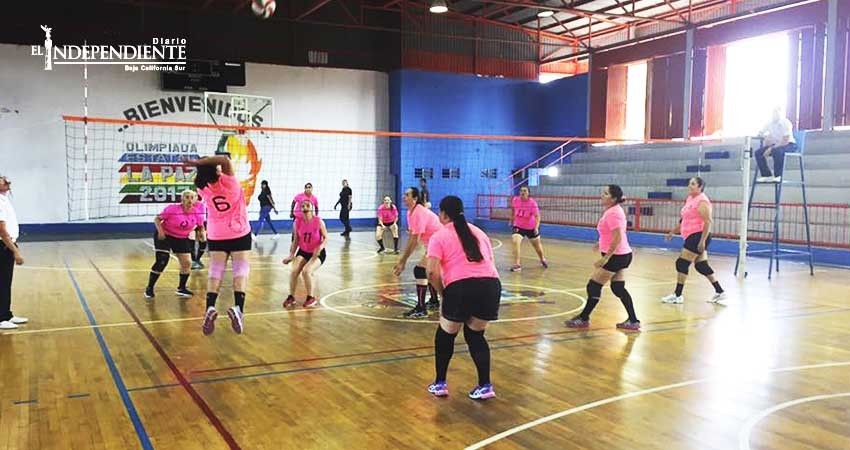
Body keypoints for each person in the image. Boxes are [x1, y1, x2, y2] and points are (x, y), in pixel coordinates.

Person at [426, 195, 501, 400]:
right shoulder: (479, 232)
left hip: (461, 287)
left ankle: (440, 383)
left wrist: (443, 294)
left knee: (446, 335)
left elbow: (431, 272)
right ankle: (485, 385)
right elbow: (490, 263)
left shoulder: (439, 236)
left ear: (443, 214)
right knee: (475, 335)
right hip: (490, 286)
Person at [185, 154, 253, 335]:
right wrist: (200, 162)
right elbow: (224, 159)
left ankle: (210, 307)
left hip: (216, 233)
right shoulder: (229, 182)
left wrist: (200, 165)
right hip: (238, 231)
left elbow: (210, 170)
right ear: (216, 169)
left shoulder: (202, 188)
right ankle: (238, 308)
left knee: (215, 271)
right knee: (240, 270)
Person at [565, 185, 639, 330]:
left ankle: (583, 318)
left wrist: (606, 258)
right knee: (618, 288)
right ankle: (633, 320)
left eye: (606, 193)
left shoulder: (613, 213)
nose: (602, 195)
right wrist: (600, 243)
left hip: (616, 256)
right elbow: (610, 233)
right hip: (621, 255)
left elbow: (617, 237)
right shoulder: (612, 211)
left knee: (594, 285)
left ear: (613, 199)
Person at [661, 177, 726, 304]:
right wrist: (673, 232)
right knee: (701, 265)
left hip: (698, 236)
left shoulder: (702, 201)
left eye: (693, 184)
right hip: (691, 236)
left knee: (682, 263)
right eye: (689, 184)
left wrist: (702, 241)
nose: (689, 186)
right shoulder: (690, 199)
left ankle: (677, 295)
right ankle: (720, 291)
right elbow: (684, 220)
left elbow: (708, 222)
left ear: (700, 187)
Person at [144, 190, 206, 299]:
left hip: (181, 237)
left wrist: (201, 234)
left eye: (192, 197)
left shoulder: (197, 213)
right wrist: (161, 232)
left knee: (187, 263)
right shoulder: (173, 209)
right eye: (187, 197)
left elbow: (200, 226)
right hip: (166, 235)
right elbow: (157, 219)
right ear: (182, 199)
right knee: (162, 261)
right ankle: (149, 288)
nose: (189, 200)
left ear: (195, 200)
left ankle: (181, 288)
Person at [393, 187, 442, 318]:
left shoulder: (419, 212)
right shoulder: (411, 212)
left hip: (441, 244)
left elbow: (415, 240)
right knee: (428, 270)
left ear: (415, 199)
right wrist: (402, 259)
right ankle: (434, 301)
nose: (404, 197)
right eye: (404, 195)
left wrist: (403, 261)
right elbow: (412, 236)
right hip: (434, 245)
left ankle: (421, 308)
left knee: (420, 270)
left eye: (407, 195)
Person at [282, 201, 328, 308]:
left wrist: (320, 247)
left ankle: (311, 298)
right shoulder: (297, 222)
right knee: (294, 270)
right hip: (303, 251)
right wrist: (291, 255)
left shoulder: (318, 221)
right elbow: (296, 240)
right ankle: (291, 297)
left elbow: (326, 238)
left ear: (312, 208)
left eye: (307, 206)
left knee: (306, 271)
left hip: (317, 252)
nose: (305, 208)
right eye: (303, 206)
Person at [0, 175, 26, 330]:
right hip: (2, 246)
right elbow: (2, 231)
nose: (5, 181)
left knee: (6, 282)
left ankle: (6, 314)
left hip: (7, 245)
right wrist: (15, 251)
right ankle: (1, 318)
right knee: (2, 282)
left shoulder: (4, 199)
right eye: (2, 180)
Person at [509, 186, 548, 272]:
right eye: (521, 191)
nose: (522, 192)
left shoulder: (532, 203)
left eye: (525, 191)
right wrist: (511, 220)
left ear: (528, 193)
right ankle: (517, 264)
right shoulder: (515, 200)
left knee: (537, 246)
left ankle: (542, 259)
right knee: (515, 241)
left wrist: (536, 228)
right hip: (518, 226)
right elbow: (513, 210)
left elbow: (537, 216)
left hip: (531, 227)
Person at [754, 106, 797, 183]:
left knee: (776, 151)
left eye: (776, 113)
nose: (775, 115)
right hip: (776, 145)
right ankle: (766, 175)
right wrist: (766, 137)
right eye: (773, 113)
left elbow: (785, 140)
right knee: (758, 153)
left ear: (780, 113)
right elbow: (760, 133)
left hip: (789, 145)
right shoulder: (769, 123)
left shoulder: (786, 123)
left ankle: (778, 176)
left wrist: (771, 148)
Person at [190, 195, 207, 270]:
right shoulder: (188, 205)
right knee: (191, 241)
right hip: (191, 223)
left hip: (201, 223)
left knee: (203, 241)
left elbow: (201, 217)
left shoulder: (201, 204)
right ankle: (193, 260)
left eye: (193, 197)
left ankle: (197, 259)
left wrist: (199, 226)